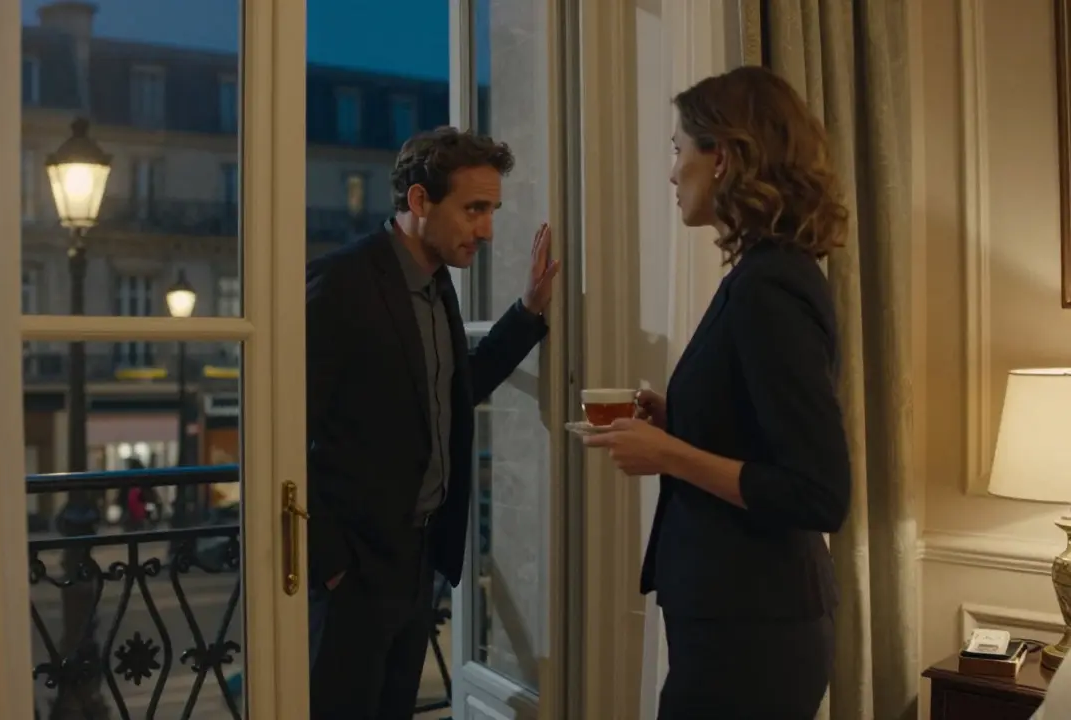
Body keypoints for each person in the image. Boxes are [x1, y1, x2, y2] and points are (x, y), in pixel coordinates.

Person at [583, 65, 852, 719]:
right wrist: (678, 420)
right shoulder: (766, 273)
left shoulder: (769, 286)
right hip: (741, 618)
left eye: (679, 149)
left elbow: (817, 491)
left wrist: (669, 454)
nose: (672, 173)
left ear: (723, 158)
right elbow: (761, 432)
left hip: (753, 632)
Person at [305, 126, 560, 719]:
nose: (487, 230)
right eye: (474, 209)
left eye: (492, 211)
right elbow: (278, 433)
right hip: (355, 571)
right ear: (420, 200)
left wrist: (527, 312)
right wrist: (333, 565)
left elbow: (453, 392)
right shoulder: (340, 281)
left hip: (418, 561)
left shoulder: (437, 283)